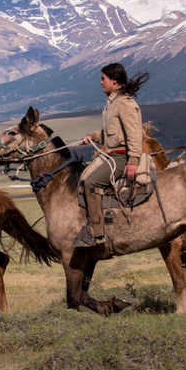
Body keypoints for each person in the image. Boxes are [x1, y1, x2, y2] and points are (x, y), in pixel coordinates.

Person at [73, 63, 148, 248]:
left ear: (114, 81)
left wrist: (133, 160)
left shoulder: (124, 103)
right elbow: (110, 133)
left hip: (121, 157)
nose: (100, 83)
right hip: (112, 155)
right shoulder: (112, 103)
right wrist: (92, 137)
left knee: (91, 182)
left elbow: (134, 133)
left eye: (103, 79)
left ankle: (96, 233)